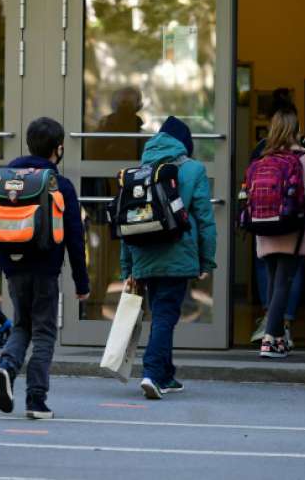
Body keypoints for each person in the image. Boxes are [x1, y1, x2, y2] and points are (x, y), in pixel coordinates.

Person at [0, 117, 90, 420]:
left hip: (12, 269)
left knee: (21, 325)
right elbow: (75, 238)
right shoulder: (60, 185)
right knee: (43, 332)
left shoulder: (3, 183)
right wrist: (82, 284)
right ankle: (36, 400)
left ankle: (6, 366)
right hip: (45, 270)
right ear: (58, 149)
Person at [120, 116, 216, 399]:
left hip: (144, 254)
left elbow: (127, 223)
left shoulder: (139, 171)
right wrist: (206, 260)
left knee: (162, 312)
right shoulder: (193, 170)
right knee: (165, 314)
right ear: (185, 145)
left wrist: (128, 265)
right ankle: (151, 373)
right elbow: (205, 219)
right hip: (177, 253)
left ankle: (167, 374)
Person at [249, 90, 305, 347]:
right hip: (294, 228)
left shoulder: (261, 155)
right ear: (297, 128)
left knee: (272, 280)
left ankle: (276, 336)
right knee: (285, 281)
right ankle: (272, 337)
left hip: (264, 227)